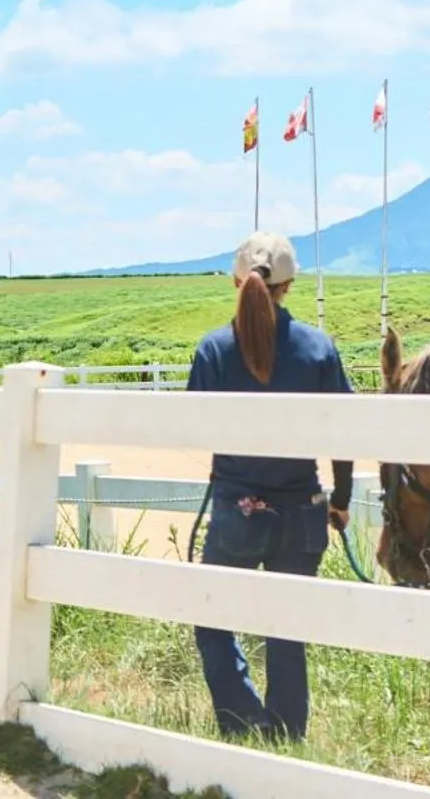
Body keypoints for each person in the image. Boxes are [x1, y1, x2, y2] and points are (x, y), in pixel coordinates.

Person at [186, 232, 354, 743]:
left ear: (237, 282)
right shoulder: (319, 348)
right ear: (290, 285)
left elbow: (194, 426)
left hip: (239, 507)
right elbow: (345, 432)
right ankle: (285, 737)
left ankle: (243, 721)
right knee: (286, 631)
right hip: (303, 510)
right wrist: (341, 500)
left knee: (211, 619)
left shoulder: (214, 349)